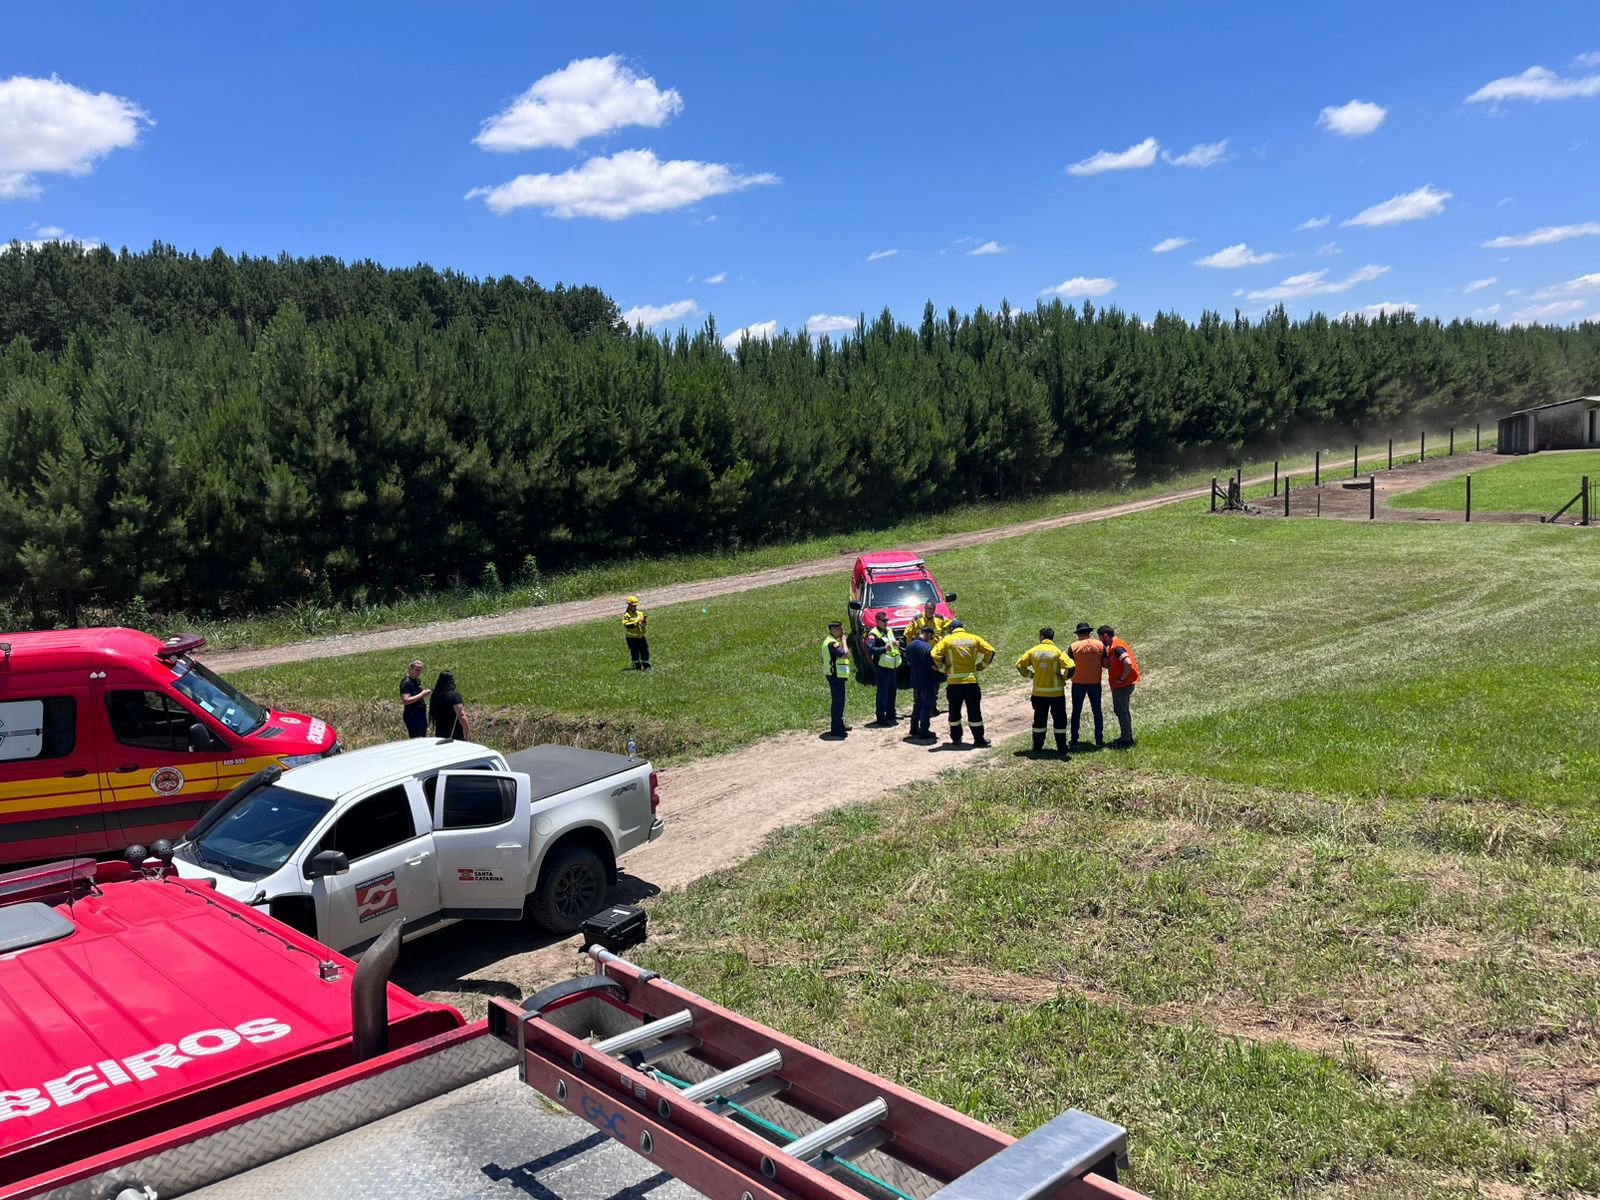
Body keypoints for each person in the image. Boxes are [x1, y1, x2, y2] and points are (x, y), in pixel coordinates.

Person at [931, 619, 996, 747]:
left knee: (954, 711)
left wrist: (944, 669)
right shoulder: (973, 638)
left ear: (951, 629)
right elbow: (990, 651)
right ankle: (979, 739)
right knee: (974, 711)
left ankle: (956, 738)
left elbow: (934, 654)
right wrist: (981, 666)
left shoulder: (947, 640)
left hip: (954, 682)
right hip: (971, 681)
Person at [1015, 628, 1071, 754]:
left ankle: (1037, 747)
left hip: (1039, 693)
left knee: (1039, 720)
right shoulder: (1057, 651)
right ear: (1052, 638)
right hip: (1056, 693)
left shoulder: (1033, 651)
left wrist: (1030, 675)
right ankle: (1062, 747)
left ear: (1041, 637)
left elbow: (1019, 664)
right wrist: (1065, 677)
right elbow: (1071, 666)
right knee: (1060, 721)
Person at [1098, 625, 1141, 746]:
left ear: (1105, 636)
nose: (1100, 641)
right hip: (1125, 684)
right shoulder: (1114, 645)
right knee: (1123, 711)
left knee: (1121, 711)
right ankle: (1127, 736)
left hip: (1123, 685)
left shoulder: (1117, 647)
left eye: (1100, 637)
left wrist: (1122, 679)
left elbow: (1127, 662)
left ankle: (1126, 740)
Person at [1068, 623, 1106, 747]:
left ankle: (1074, 741)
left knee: (1076, 712)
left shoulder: (1073, 647)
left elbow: (1069, 665)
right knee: (1097, 711)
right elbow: (1105, 663)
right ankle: (1099, 740)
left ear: (1078, 633)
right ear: (1089, 633)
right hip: (1095, 683)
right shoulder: (1100, 645)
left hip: (1078, 683)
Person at [864, 612, 903, 725]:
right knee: (882, 693)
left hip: (893, 666)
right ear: (878, 621)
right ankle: (881, 717)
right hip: (882, 667)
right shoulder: (873, 634)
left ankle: (891, 713)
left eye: (887, 620)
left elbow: (891, 642)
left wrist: (895, 643)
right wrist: (884, 648)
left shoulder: (889, 630)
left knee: (892, 691)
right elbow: (870, 649)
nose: (886, 623)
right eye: (884, 621)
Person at [904, 624, 939, 741]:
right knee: (927, 705)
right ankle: (924, 730)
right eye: (931, 637)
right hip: (928, 680)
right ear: (928, 634)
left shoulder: (910, 646)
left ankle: (913, 728)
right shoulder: (926, 647)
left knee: (917, 704)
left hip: (915, 679)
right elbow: (934, 666)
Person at [822, 620, 852, 738]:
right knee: (838, 703)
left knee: (840, 702)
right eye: (840, 629)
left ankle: (840, 724)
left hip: (836, 676)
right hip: (835, 677)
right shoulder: (832, 643)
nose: (842, 631)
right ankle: (836, 729)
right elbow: (844, 654)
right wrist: (844, 641)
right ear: (833, 630)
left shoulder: (831, 641)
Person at [430, 671, 470, 740]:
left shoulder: (435, 696)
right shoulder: (454, 696)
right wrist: (467, 731)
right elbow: (461, 715)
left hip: (440, 734)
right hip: (455, 734)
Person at [400, 659, 431, 739]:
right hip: (412, 715)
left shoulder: (417, 680)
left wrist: (425, 693)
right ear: (410, 669)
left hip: (420, 713)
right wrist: (422, 694)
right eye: (417, 670)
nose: (419, 672)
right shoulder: (406, 682)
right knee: (416, 738)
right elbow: (406, 700)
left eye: (420, 670)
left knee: (423, 737)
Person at [622, 596, 650, 669]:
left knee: (644, 650)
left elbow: (643, 625)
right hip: (631, 638)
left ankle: (645, 664)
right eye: (633, 606)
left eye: (635, 606)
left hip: (641, 636)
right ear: (629, 605)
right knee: (635, 651)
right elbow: (627, 625)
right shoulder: (626, 615)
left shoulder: (640, 613)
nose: (635, 607)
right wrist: (636, 622)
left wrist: (644, 622)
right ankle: (636, 664)